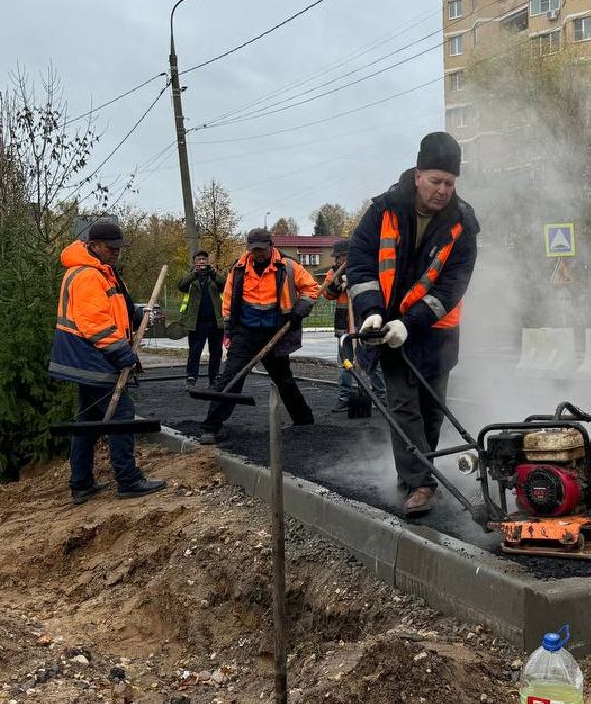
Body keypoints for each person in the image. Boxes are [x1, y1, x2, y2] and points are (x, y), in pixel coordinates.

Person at [349, 131, 480, 517]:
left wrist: (413, 321)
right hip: (387, 328)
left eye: (450, 183)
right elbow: (359, 261)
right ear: (419, 174)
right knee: (403, 405)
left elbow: (454, 285)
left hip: (436, 332)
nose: (442, 190)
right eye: (436, 181)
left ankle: (418, 471)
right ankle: (419, 484)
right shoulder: (383, 210)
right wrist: (372, 310)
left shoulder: (463, 223)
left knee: (431, 407)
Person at [47, 218, 167, 505]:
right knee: (121, 416)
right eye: (110, 248)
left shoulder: (103, 272)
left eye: (118, 248)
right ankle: (128, 480)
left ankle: (81, 484)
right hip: (91, 356)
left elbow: (114, 308)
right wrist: (124, 355)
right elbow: (95, 325)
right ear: (94, 245)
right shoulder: (88, 275)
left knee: (87, 420)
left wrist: (137, 315)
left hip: (87, 357)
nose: (116, 252)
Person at [197, 227, 319, 444]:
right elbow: (228, 301)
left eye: (262, 249)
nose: (259, 254)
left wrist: (301, 308)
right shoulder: (239, 268)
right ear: (248, 248)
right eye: (254, 250)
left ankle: (303, 420)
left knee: (284, 379)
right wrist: (229, 330)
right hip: (245, 332)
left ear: (271, 245)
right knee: (231, 377)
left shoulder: (288, 265)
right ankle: (211, 426)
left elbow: (311, 288)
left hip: (276, 331)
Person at [320, 238, 385, 411]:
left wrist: (354, 281)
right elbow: (327, 294)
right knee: (345, 363)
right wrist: (338, 283)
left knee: (372, 361)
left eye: (340, 257)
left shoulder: (366, 269)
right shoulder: (332, 272)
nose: (337, 261)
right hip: (344, 325)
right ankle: (345, 397)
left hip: (365, 323)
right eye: (337, 258)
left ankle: (381, 397)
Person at [178, 249, 225, 387]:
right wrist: (194, 274)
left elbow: (226, 285)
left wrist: (214, 273)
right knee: (195, 351)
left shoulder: (214, 275)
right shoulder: (190, 277)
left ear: (208, 261)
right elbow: (181, 286)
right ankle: (191, 377)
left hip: (216, 321)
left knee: (216, 351)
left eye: (204, 259)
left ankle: (214, 377)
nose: (201, 262)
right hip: (197, 322)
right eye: (198, 260)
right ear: (194, 262)